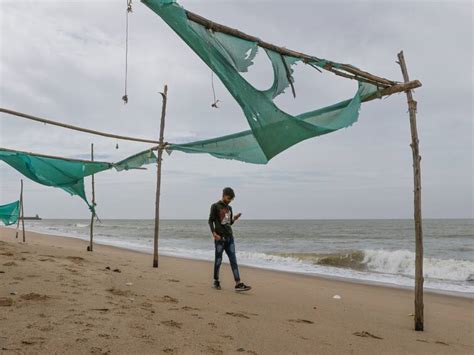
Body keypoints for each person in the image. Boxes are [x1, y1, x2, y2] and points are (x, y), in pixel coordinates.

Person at [208, 187, 251, 292]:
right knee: (218, 260)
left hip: (230, 238)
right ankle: (216, 281)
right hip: (219, 239)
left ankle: (238, 283)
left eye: (231, 199)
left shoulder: (230, 208)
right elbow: (210, 221)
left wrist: (234, 219)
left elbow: (228, 223)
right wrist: (214, 233)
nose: (229, 200)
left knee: (233, 260)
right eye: (228, 198)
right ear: (223, 195)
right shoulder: (215, 206)